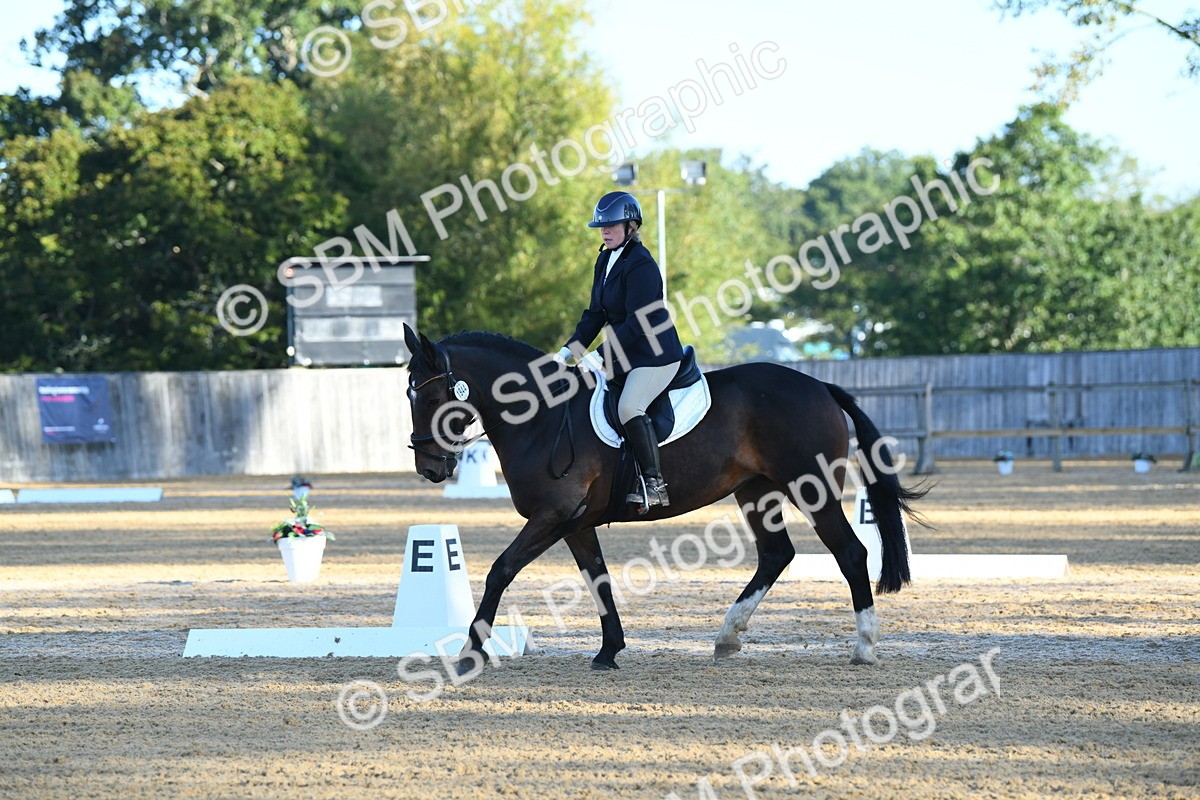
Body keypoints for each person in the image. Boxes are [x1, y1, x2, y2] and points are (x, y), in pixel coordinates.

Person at [554, 191, 684, 508]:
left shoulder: (642, 264)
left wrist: (600, 354)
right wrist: (566, 352)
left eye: (612, 225)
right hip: (625, 354)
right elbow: (595, 314)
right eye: (602, 226)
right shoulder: (605, 259)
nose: (605, 231)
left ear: (631, 226)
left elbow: (638, 321)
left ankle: (655, 485)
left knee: (628, 407)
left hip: (654, 354)